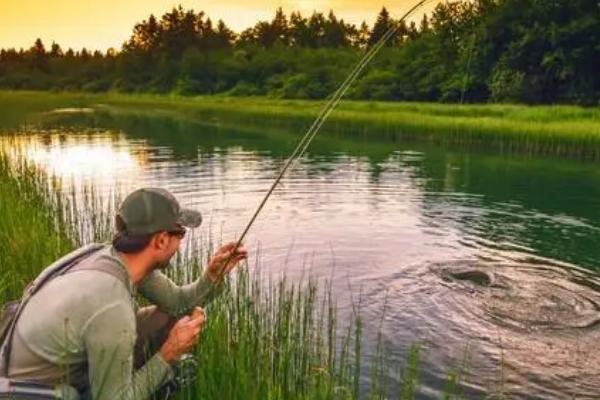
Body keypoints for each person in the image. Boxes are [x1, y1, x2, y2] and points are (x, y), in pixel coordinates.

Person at [1, 187, 247, 399]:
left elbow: (178, 303)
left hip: (37, 368)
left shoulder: (107, 255)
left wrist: (213, 276)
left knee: (163, 319)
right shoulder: (111, 304)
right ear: (161, 240)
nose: (180, 243)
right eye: (179, 234)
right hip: (30, 393)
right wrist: (169, 352)